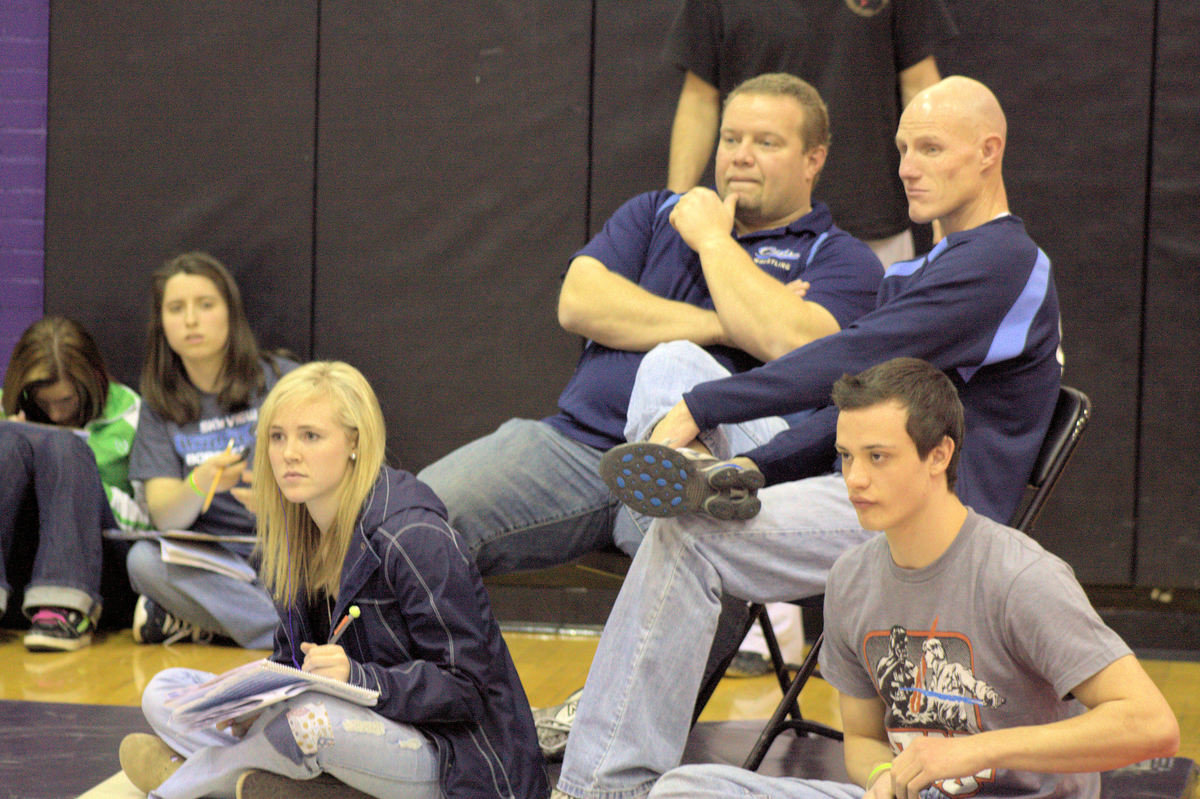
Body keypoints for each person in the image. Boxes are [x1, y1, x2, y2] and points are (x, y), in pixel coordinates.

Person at [553, 76, 1064, 799]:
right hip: (862, 493)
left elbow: (849, 357)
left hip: (933, 534)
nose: (907, 166)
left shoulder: (1004, 263)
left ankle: (598, 789)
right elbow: (849, 411)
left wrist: (706, 403)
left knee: (685, 529)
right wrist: (753, 468)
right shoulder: (928, 266)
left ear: (989, 153)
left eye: (929, 148)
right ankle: (607, 781)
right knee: (679, 436)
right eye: (902, 149)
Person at [645, 358, 1179, 799]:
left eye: (878, 457)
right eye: (847, 457)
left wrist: (977, 750)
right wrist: (881, 778)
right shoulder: (851, 578)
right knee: (681, 790)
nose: (854, 479)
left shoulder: (1020, 576)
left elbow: (1152, 725)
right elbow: (861, 737)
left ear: (939, 454)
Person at [418, 72, 881, 577]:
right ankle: (443, 658)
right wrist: (726, 323)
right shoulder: (658, 212)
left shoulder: (841, 258)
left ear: (813, 159)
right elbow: (578, 302)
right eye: (731, 139)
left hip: (719, 469)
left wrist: (712, 242)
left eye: (766, 143)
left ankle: (676, 492)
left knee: (690, 540)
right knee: (414, 518)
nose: (740, 156)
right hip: (580, 443)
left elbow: (791, 343)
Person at [118, 361, 548, 799]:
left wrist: (360, 677)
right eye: (277, 436)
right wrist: (253, 703)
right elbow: (292, 663)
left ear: (355, 443)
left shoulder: (415, 537)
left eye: (310, 436)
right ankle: (284, 778)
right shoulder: (294, 534)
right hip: (350, 727)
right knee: (165, 693)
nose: (289, 454)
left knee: (308, 720)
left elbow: (467, 689)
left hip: (452, 754)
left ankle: (185, 785)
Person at [664, 0, 957, 266]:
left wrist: (944, 189)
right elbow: (700, 101)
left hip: (869, 216)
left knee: (877, 324)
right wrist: (673, 205)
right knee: (749, 323)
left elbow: (919, 87)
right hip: (754, 224)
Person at [127, 251, 298, 648]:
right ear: (161, 323)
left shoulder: (282, 379)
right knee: (142, 560)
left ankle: (208, 623)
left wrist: (279, 501)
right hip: (214, 564)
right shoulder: (158, 406)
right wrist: (200, 482)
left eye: (205, 305)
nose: (191, 320)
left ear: (230, 313)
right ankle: (282, 636)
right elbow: (165, 516)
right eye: (176, 308)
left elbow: (339, 477)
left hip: (286, 547)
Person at [0, 316, 150, 651]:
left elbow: (149, 521)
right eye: (43, 402)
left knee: (65, 447)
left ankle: (65, 608)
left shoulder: (133, 414)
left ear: (90, 384)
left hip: (98, 576)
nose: (54, 414)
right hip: (17, 576)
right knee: (7, 442)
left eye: (65, 401)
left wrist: (86, 485)